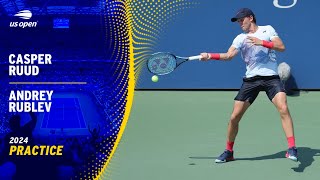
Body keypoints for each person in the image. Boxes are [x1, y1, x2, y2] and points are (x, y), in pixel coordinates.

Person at [199, 8, 298, 163]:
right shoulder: (240, 38)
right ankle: (229, 151)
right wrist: (210, 56)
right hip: (251, 80)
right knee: (234, 117)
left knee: (283, 108)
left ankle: (292, 148)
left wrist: (262, 42)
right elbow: (229, 55)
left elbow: (281, 47)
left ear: (250, 18)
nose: (240, 23)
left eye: (241, 20)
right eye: (238, 21)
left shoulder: (267, 29)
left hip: (271, 78)